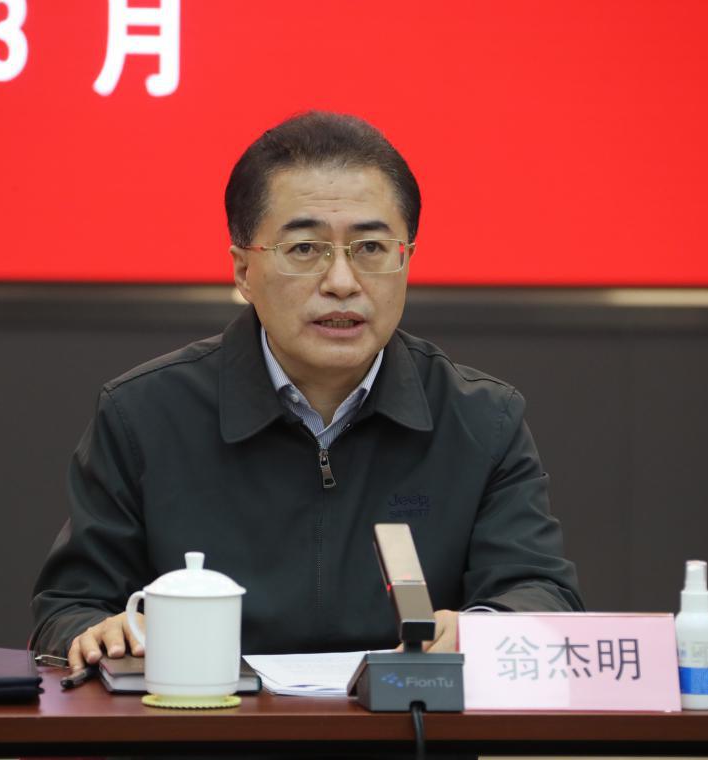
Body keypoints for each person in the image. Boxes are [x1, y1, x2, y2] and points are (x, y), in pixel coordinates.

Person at [30, 111, 583, 671]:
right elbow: (69, 609)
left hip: (406, 721)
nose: (341, 282)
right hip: (204, 718)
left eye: (371, 248)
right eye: (304, 249)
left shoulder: (482, 420)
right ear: (243, 271)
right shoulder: (144, 415)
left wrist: (483, 631)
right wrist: (103, 634)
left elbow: (540, 595)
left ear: (406, 260)